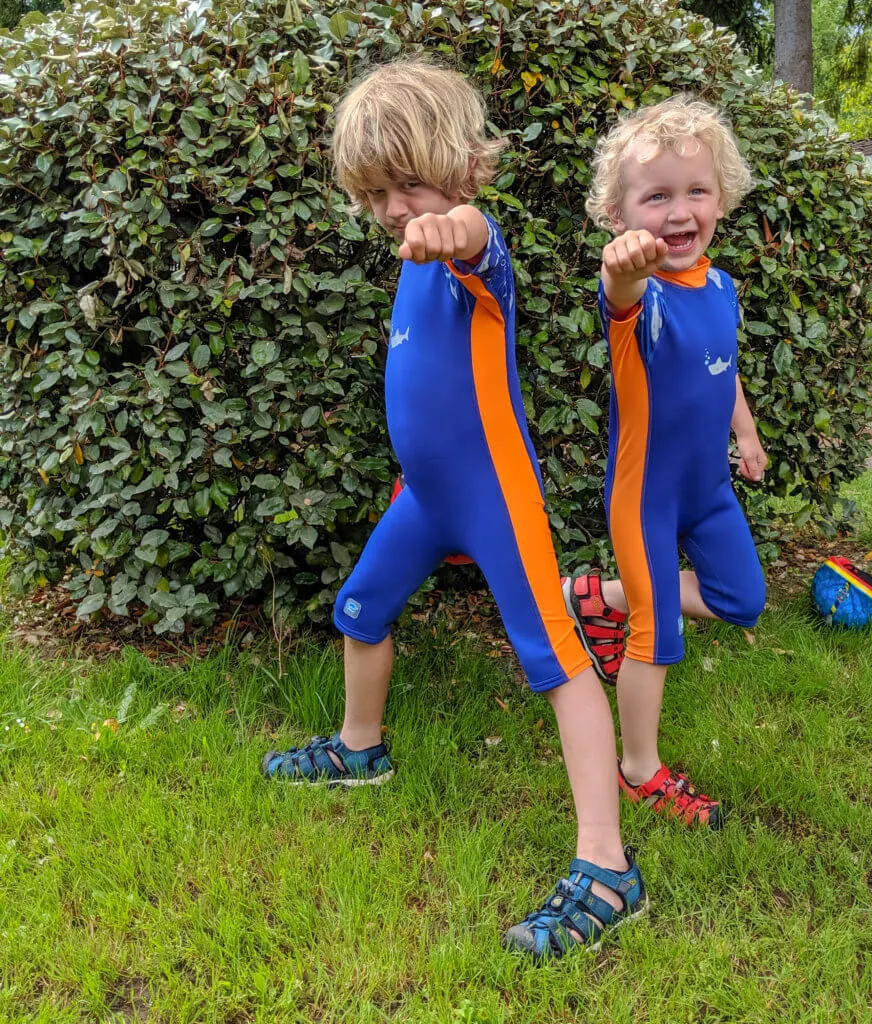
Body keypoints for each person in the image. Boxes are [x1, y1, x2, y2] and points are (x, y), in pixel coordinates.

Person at [260, 58, 646, 959]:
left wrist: (450, 228)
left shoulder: (476, 245)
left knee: (553, 653)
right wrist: (420, 233)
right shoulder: (408, 264)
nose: (398, 208)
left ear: (464, 167)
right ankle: (362, 748)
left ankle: (606, 866)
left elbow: (468, 232)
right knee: (359, 608)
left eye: (413, 183)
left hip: (494, 494)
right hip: (426, 498)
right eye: (378, 193)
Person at [565, 97, 768, 829]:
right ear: (618, 215)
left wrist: (744, 432)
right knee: (659, 636)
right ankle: (639, 769)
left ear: (721, 197)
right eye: (656, 197)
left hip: (707, 490)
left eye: (695, 191)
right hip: (643, 495)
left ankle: (601, 597)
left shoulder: (720, 287)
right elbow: (619, 290)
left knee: (742, 598)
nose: (679, 212)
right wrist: (621, 269)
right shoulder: (639, 299)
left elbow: (724, 368)